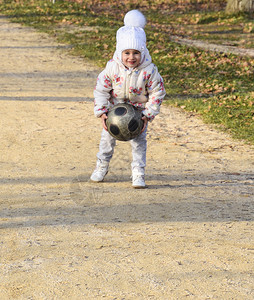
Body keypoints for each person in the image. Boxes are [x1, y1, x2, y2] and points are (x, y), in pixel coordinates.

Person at [90, 9, 166, 188]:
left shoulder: (149, 70)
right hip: (114, 112)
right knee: (106, 141)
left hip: (138, 115)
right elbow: (101, 89)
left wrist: (148, 113)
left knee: (139, 143)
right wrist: (101, 112)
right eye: (127, 53)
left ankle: (138, 172)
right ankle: (102, 165)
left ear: (143, 51)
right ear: (119, 52)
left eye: (136, 53)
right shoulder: (112, 68)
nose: (131, 57)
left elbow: (158, 92)